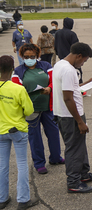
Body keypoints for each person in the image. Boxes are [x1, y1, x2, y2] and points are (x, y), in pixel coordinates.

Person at [52, 42, 92, 193]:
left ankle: (83, 174)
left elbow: (70, 89)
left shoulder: (60, 65)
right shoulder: (68, 70)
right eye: (84, 60)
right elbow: (68, 98)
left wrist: (87, 83)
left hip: (64, 113)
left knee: (80, 146)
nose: (83, 64)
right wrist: (79, 121)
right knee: (74, 149)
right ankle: (73, 182)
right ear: (78, 56)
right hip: (71, 116)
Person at [12, 44, 64, 175]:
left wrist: (50, 88)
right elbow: (15, 89)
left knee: (53, 133)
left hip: (47, 108)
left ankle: (56, 157)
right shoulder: (18, 71)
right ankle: (39, 163)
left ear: (37, 56)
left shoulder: (46, 66)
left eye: (32, 56)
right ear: (22, 57)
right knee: (35, 138)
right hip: (31, 111)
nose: (29, 59)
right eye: (26, 57)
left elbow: (54, 81)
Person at [0, 55, 40, 210]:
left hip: (1, 131)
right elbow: (29, 110)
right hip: (18, 130)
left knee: (2, 165)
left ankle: (2, 199)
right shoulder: (18, 89)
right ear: (12, 70)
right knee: (22, 163)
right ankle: (23, 200)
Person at [54, 17, 82, 83]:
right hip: (72, 58)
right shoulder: (72, 34)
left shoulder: (57, 33)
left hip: (62, 57)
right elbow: (76, 47)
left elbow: (55, 44)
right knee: (77, 74)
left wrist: (58, 53)